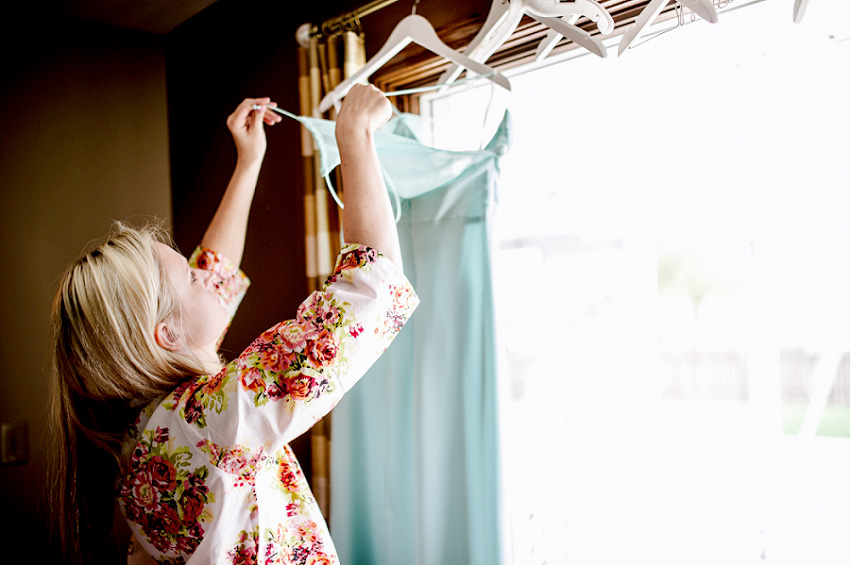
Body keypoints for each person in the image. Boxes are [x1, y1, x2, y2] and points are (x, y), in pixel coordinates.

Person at [49, 84, 418, 565]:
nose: (207, 274)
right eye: (191, 274)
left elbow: (215, 276)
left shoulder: (138, 433)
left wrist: (248, 162)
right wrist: (354, 138)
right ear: (166, 337)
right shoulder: (207, 425)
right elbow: (368, 294)